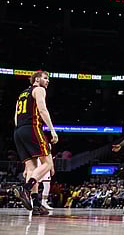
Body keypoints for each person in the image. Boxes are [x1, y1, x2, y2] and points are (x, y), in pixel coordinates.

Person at [14, 71, 58, 215]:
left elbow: (15, 117)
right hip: (32, 128)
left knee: (31, 168)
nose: (48, 81)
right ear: (37, 79)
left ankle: (37, 204)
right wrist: (52, 130)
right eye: (45, 78)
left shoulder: (22, 94)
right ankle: (25, 188)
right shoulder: (39, 89)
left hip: (18, 131)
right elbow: (42, 109)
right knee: (48, 163)